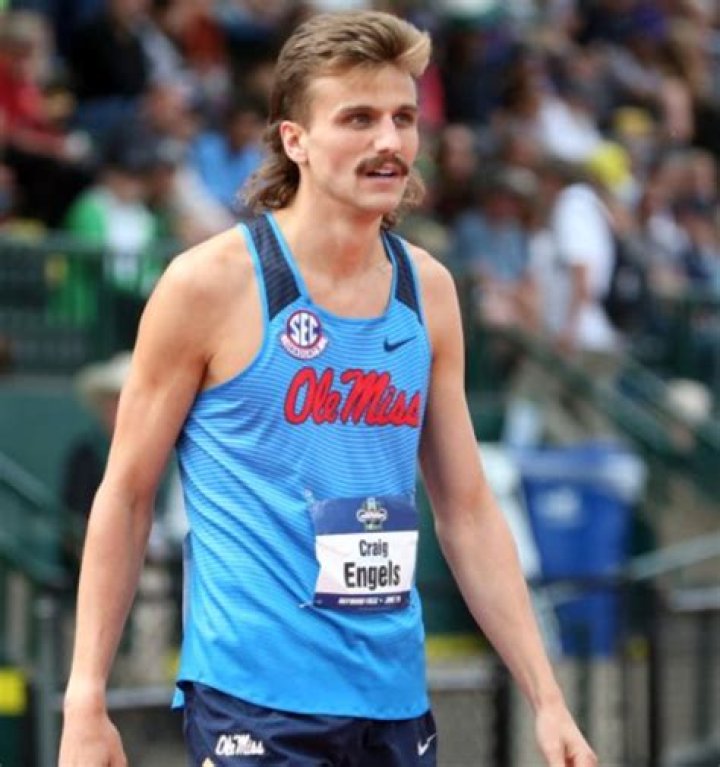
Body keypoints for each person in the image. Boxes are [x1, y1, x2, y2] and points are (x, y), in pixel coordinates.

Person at [59, 11, 597, 767]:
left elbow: (469, 509)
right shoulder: (208, 284)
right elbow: (125, 494)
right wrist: (86, 697)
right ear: (295, 140)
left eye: (403, 118)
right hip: (255, 704)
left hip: (394, 703)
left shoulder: (428, 291)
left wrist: (547, 698)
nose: (389, 141)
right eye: (358, 118)